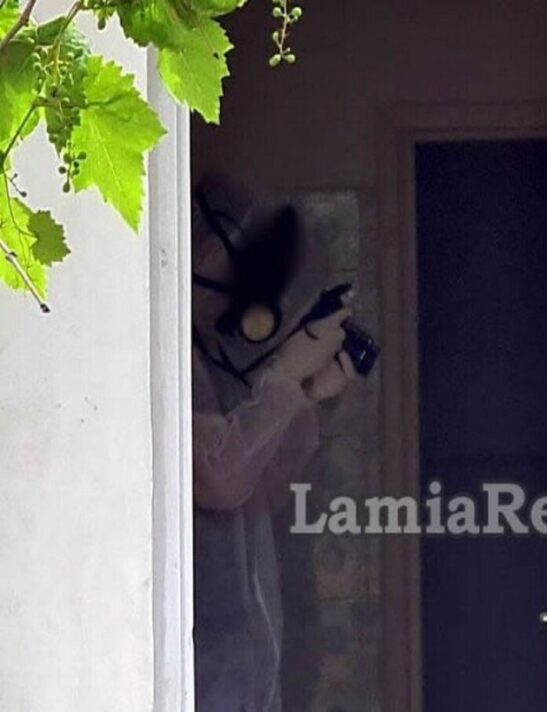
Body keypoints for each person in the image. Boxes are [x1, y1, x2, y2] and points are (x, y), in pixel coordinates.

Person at [191, 179, 355, 711]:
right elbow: (220, 478)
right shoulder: (167, 356)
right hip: (201, 678)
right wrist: (285, 376)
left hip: (248, 674)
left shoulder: (213, 358)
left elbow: (263, 489)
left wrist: (308, 394)